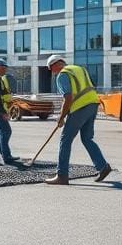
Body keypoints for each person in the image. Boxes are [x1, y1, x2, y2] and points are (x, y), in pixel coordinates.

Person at [45, 55, 111, 185]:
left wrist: (61, 117)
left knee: (65, 139)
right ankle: (103, 166)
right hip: (93, 104)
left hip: (80, 107)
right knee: (87, 138)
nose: (52, 72)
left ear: (55, 65)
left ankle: (62, 175)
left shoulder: (62, 75)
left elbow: (68, 97)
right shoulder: (79, 69)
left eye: (51, 69)